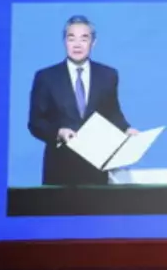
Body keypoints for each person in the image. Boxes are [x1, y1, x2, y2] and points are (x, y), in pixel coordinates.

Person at [27, 15, 138, 185]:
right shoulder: (46, 77)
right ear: (64, 41)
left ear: (93, 42)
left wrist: (126, 129)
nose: (77, 44)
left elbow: (113, 113)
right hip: (59, 165)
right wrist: (58, 132)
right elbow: (36, 122)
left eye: (84, 38)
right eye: (71, 38)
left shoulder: (108, 75)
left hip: (97, 164)